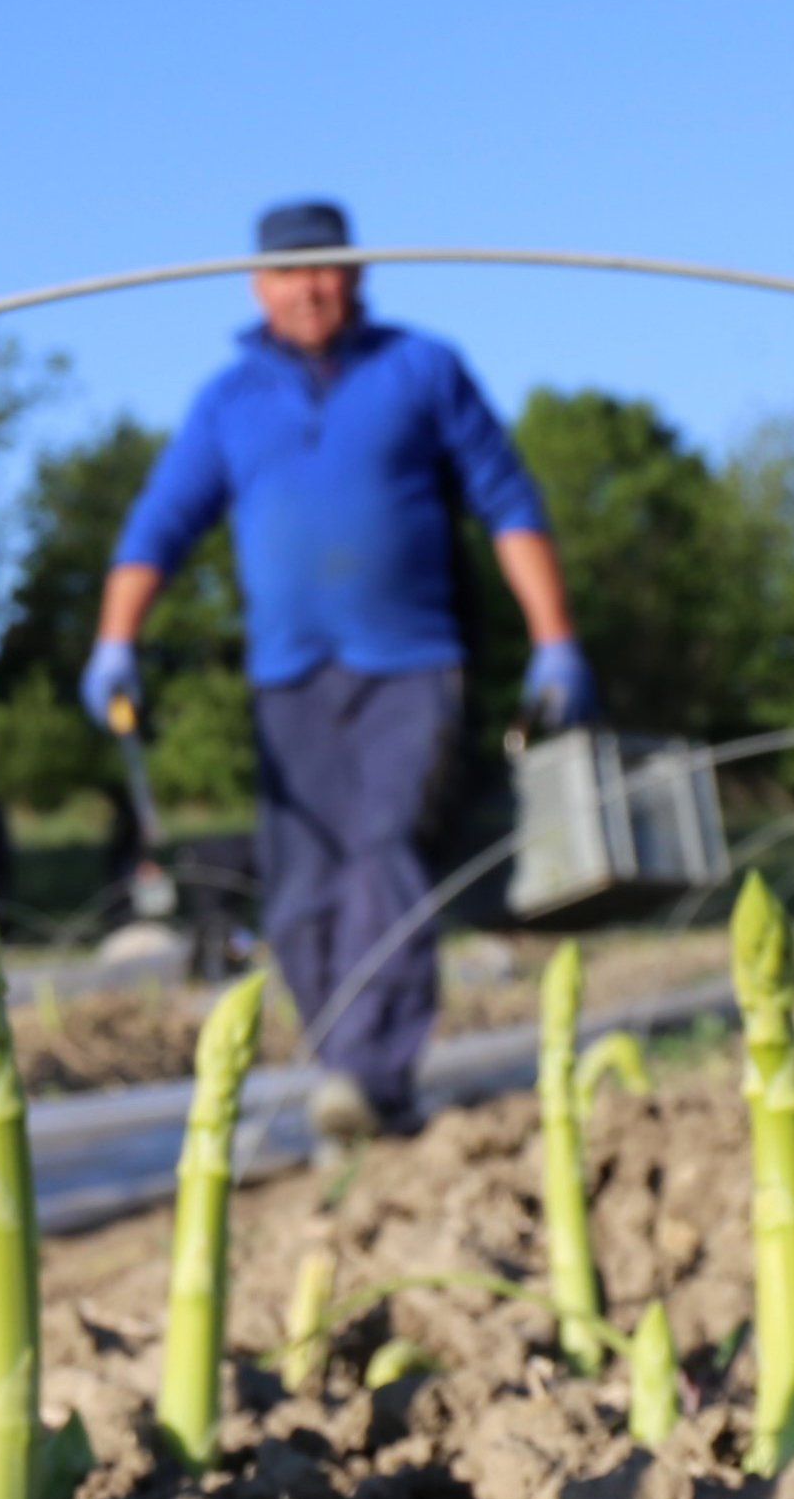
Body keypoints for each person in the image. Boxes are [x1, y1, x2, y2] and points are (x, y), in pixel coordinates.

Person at [79, 198, 584, 1140]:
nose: (308, 289)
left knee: (384, 853)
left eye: (326, 268)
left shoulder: (421, 369)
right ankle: (341, 1064)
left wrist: (554, 636)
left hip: (413, 664)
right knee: (301, 878)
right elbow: (158, 524)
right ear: (255, 285)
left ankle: (371, 1071)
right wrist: (117, 640)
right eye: (288, 273)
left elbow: (508, 501)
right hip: (288, 679)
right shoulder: (229, 399)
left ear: (358, 274)